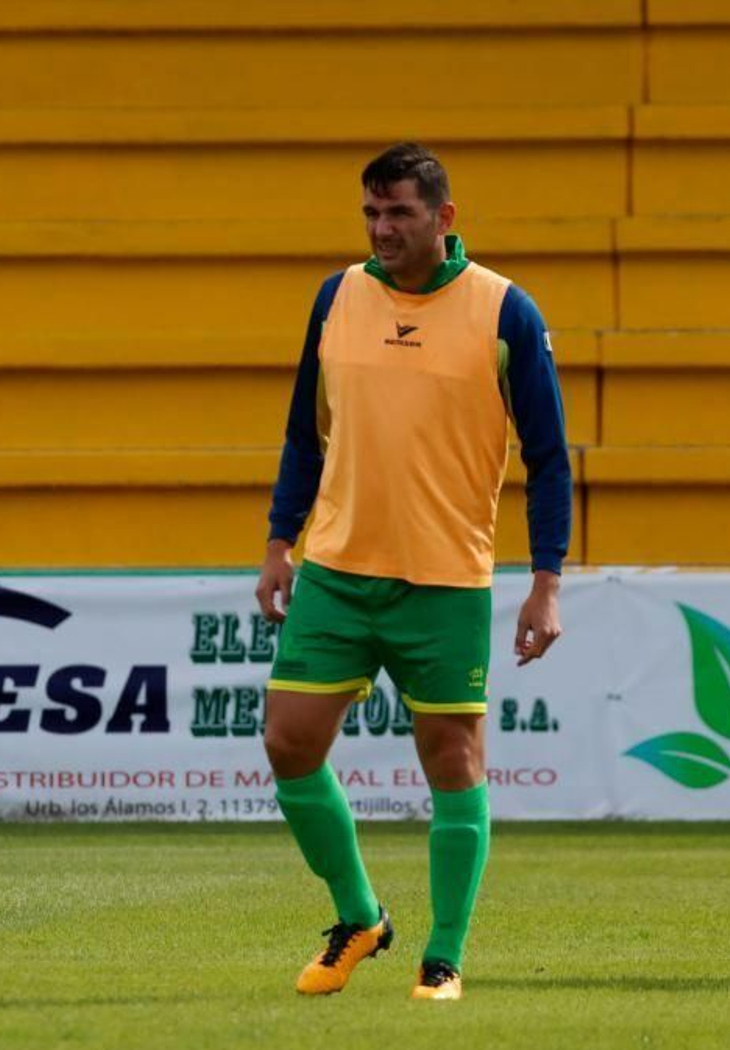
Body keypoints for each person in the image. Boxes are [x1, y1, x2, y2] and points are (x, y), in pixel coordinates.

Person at [253, 142, 571, 1002]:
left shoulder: (505, 311)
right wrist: (281, 540)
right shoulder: (338, 296)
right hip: (337, 569)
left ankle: (445, 956)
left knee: (453, 761)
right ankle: (361, 917)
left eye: (398, 213)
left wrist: (546, 580)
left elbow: (548, 456)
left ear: (444, 218)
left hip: (445, 579)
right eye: (371, 213)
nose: (382, 229)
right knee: (288, 742)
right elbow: (301, 434)